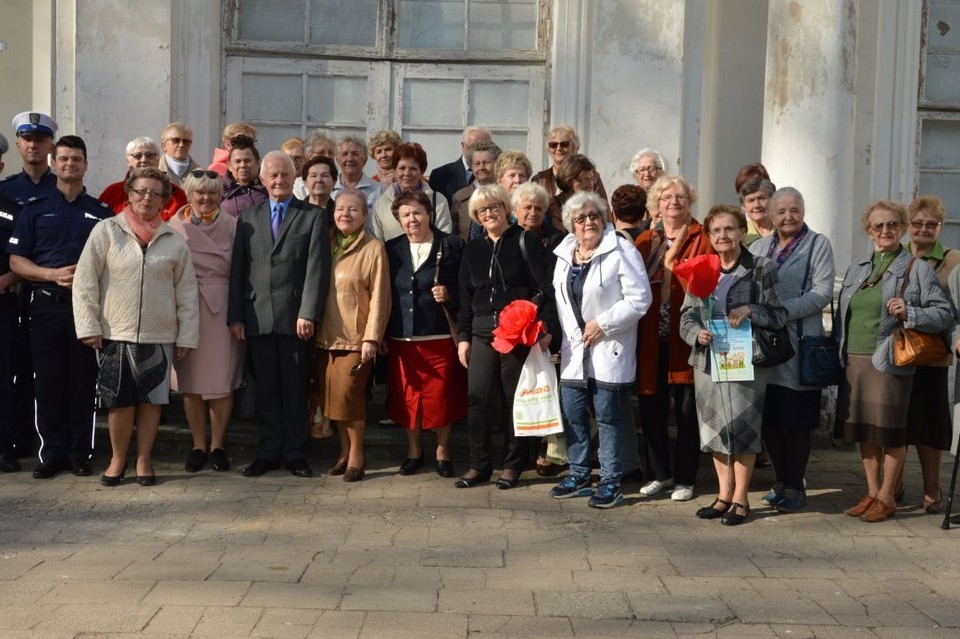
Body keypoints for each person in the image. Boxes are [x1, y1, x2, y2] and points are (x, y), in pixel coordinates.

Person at [73, 167, 199, 486]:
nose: (147, 198)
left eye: (155, 193)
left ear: (164, 201)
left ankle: (144, 459)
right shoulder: (106, 231)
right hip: (115, 333)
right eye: (141, 191)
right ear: (128, 193)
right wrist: (88, 325)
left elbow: (186, 292)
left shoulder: (174, 239)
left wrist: (187, 335)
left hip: (159, 335)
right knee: (119, 401)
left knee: (151, 401)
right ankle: (117, 460)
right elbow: (85, 281)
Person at [834, 200, 953, 523]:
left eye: (892, 225)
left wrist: (910, 312)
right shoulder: (859, 266)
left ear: (901, 228)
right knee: (865, 431)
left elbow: (943, 313)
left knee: (890, 432)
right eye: (878, 226)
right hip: (854, 360)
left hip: (888, 360)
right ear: (868, 230)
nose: (884, 231)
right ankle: (872, 492)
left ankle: (888, 497)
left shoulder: (917, 268)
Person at [7, 136, 114, 478]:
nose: (70, 164)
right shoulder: (34, 209)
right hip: (45, 308)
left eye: (76, 159)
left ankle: (80, 452)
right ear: (53, 164)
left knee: (83, 382)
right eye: (64, 158)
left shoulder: (101, 214)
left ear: (86, 165)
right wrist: (50, 274)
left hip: (86, 310)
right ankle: (51, 453)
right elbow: (17, 260)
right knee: (48, 383)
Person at [679, 205, 787, 526]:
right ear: (710, 236)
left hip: (744, 360)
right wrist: (696, 333)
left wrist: (751, 309)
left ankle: (741, 498)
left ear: (742, 232)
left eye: (729, 229)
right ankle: (723, 494)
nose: (722, 236)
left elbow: (779, 314)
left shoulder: (760, 267)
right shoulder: (702, 267)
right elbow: (686, 316)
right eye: (716, 231)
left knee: (741, 429)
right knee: (714, 429)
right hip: (707, 360)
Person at [228, 150, 330, 478]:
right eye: (272, 175)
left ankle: (297, 454)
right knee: (267, 390)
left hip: (295, 319)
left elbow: (317, 269)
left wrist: (309, 313)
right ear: (262, 179)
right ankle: (269, 452)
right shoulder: (247, 219)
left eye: (285, 175)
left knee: (295, 390)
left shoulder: (312, 216)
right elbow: (238, 270)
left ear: (294, 177)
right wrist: (236, 317)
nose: (278, 181)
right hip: (257, 318)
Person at [548, 192, 651, 508]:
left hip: (610, 348)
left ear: (604, 218)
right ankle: (579, 474)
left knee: (608, 418)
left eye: (594, 215)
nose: (588, 222)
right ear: (571, 226)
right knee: (575, 414)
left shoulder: (621, 250)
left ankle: (611, 481)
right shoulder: (564, 254)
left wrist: (603, 323)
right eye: (580, 219)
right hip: (574, 352)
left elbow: (640, 299)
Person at [455, 184, 559, 490]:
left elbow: (547, 287)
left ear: (506, 208)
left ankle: (513, 465)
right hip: (481, 331)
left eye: (495, 207)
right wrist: (463, 336)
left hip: (516, 332)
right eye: (483, 210)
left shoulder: (525, 240)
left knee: (515, 400)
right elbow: (465, 296)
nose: (489, 213)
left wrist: (546, 327)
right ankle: (479, 465)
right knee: (477, 399)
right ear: (475, 216)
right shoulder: (471, 249)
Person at [749, 188, 835, 512]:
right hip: (765, 349)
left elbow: (822, 291)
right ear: (770, 215)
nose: (788, 217)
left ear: (803, 210)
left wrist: (780, 312)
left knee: (797, 421)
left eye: (795, 210)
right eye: (782, 211)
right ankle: (780, 481)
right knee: (770, 419)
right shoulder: (758, 247)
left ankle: (797, 486)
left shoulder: (818, 245)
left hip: (799, 345)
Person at [634, 175, 715, 502]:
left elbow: (709, 281)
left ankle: (685, 478)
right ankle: (659, 474)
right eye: (666, 197)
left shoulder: (702, 236)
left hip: (687, 335)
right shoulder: (644, 240)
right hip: (651, 337)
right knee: (651, 407)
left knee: (686, 414)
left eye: (680, 196)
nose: (673, 202)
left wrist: (674, 268)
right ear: (656, 203)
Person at [383, 190, 465, 477]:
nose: (412, 219)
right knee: (408, 398)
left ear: (429, 214)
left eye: (417, 212)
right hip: (402, 337)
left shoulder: (452, 245)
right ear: (398, 220)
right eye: (405, 215)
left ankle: (442, 450)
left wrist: (449, 293)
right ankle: (414, 451)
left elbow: (466, 287)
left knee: (441, 397)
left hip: (439, 336)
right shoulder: (391, 249)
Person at [169, 170, 244, 473]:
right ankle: (198, 444)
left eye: (212, 192)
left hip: (223, 308)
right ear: (189, 195)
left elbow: (241, 272)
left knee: (221, 382)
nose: (206, 198)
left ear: (221, 196)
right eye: (199, 192)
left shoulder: (236, 226)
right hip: (186, 306)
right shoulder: (174, 227)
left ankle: (218, 445)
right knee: (192, 383)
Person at [315, 189, 390, 482]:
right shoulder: (327, 242)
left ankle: (358, 454)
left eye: (353, 209)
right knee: (332, 401)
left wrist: (371, 338)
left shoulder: (373, 248)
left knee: (349, 396)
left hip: (355, 338)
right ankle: (344, 453)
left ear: (365, 214)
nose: (345, 214)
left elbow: (380, 297)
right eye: (340, 209)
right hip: (324, 336)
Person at [901, 195, 960, 513]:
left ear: (940, 226)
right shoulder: (895, 256)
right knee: (896, 424)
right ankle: (892, 487)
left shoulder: (954, 260)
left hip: (933, 355)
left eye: (931, 224)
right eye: (917, 223)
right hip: (897, 354)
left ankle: (932, 489)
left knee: (929, 427)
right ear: (908, 226)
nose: (923, 229)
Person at [0, 133, 24, 472]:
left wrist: (5, 280)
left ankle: (3, 447)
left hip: (2, 303)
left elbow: (21, 257)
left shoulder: (12, 210)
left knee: (3, 379)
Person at [369, 142, 453, 241]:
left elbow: (444, 239)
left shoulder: (438, 201)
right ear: (395, 171)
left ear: (422, 172)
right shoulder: (381, 204)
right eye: (402, 168)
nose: (407, 173)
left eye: (413, 169)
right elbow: (377, 243)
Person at [98, 137, 187, 221]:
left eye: (149, 155)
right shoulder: (112, 193)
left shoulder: (176, 194)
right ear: (128, 162)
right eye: (138, 156)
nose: (144, 160)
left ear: (158, 160)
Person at [533, 125, 608, 208]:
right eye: (553, 145)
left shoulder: (592, 176)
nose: (558, 148)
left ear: (575, 147)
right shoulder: (540, 179)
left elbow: (603, 208)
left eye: (564, 144)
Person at [0, 111, 58, 204]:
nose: (33, 145)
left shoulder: (63, 189)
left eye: (39, 139)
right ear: (18, 145)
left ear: (51, 148)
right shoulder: (4, 190)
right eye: (27, 139)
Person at [428, 125, 492, 206]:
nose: (479, 152)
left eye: (485, 148)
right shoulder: (440, 175)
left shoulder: (498, 175)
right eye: (474, 147)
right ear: (463, 146)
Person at [450, 141, 501, 240]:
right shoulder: (460, 197)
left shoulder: (505, 195)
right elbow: (454, 233)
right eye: (477, 164)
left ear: (497, 164)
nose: (481, 167)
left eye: (486, 163)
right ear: (471, 167)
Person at [331, 135, 382, 213]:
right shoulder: (329, 189)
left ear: (365, 159)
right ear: (337, 160)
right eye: (344, 154)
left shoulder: (379, 191)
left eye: (355, 154)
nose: (350, 159)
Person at [220, 135, 268, 218]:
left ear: (258, 163)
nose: (243, 165)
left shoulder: (270, 189)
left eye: (247, 161)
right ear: (229, 166)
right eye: (237, 161)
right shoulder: (219, 191)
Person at [548, 154, 603, 224]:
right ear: (568, 181)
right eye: (584, 180)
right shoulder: (552, 208)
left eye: (591, 179)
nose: (590, 185)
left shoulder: (597, 207)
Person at [293, 130, 336, 199]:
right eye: (321, 152)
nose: (327, 156)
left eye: (330, 153)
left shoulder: (340, 185)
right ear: (309, 155)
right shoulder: (297, 186)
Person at [158, 122, 200, 187]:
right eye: (175, 140)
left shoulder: (201, 173)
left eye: (186, 141)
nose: (181, 145)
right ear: (164, 146)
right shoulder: (155, 170)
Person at [740, 177, 776, 246]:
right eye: (751, 200)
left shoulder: (786, 230)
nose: (756, 205)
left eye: (762, 198)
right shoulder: (739, 236)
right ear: (744, 207)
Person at [302, 155, 337, 222]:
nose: (319, 180)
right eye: (313, 176)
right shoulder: (295, 213)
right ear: (305, 182)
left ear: (334, 182)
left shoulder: (340, 214)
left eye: (325, 176)